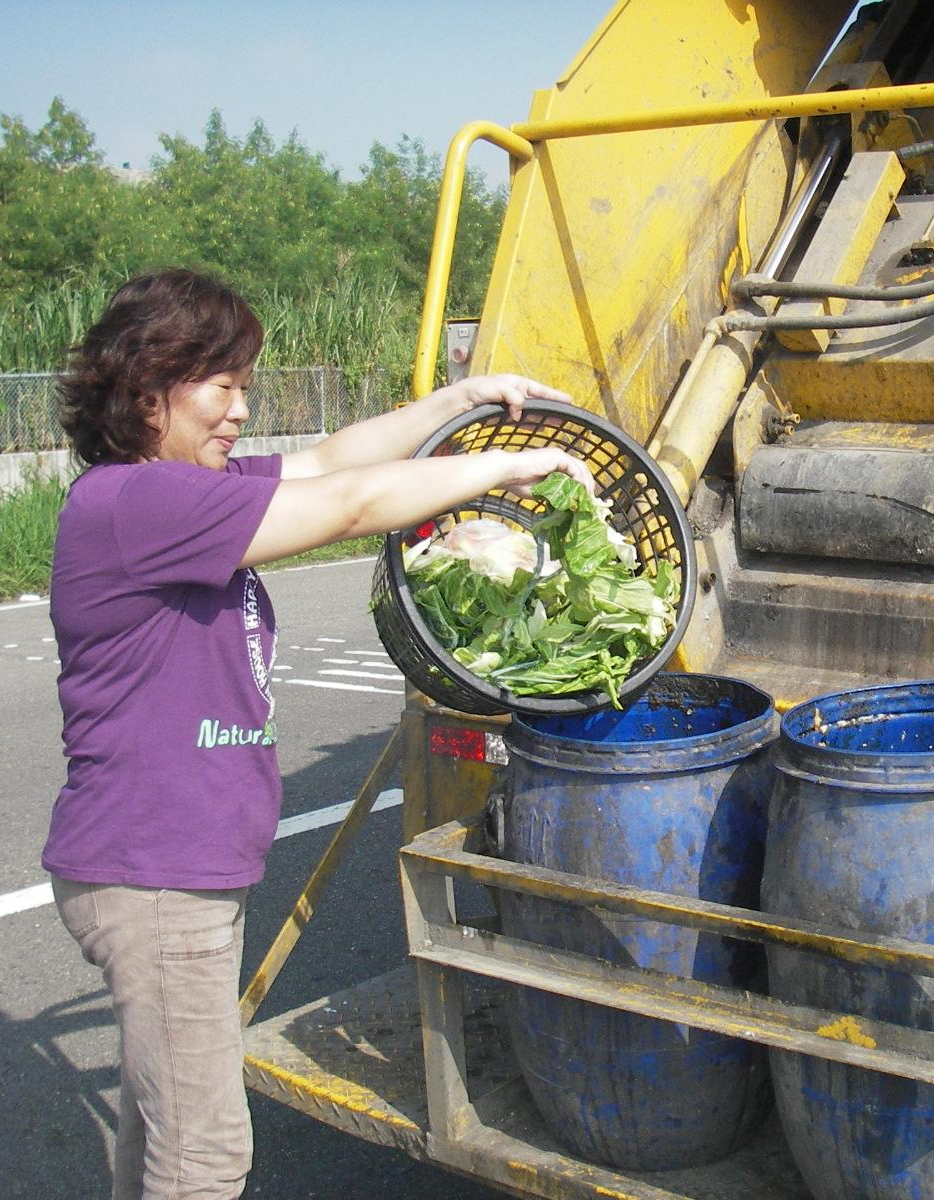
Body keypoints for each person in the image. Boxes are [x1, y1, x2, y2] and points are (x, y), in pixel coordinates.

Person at [43, 268, 592, 1200]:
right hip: (156, 874)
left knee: (160, 1131)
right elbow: (344, 507)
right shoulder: (133, 506)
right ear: (146, 392)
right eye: (221, 385)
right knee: (203, 1158)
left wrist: (457, 403)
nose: (240, 411)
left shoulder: (186, 488)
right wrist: (506, 466)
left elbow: (335, 459)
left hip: (179, 866)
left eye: (245, 387)